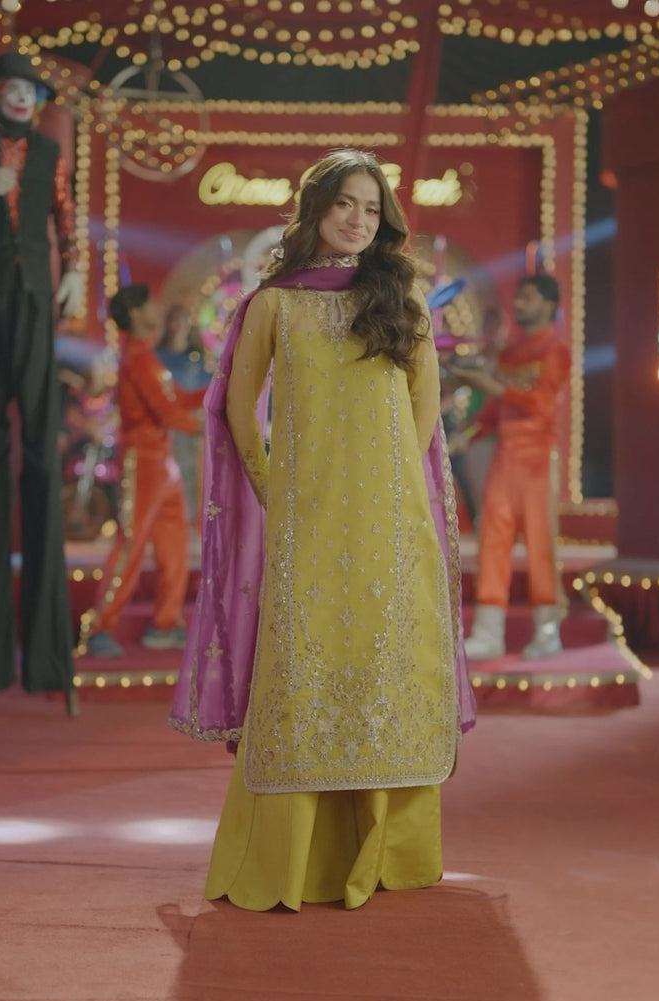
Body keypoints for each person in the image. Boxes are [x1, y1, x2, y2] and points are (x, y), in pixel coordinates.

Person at [170, 148, 475, 911]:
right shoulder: (274, 304)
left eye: (372, 209)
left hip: (391, 523)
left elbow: (425, 408)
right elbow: (238, 409)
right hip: (306, 523)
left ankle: (387, 852)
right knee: (305, 670)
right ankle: (293, 860)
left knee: (386, 669)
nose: (358, 220)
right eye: (346, 204)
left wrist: (396, 489)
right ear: (316, 209)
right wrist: (275, 490)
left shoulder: (402, 297)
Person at [0, 51, 83, 712]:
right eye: (15, 88)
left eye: (33, 89)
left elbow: (65, 212)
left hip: (33, 295)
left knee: (40, 455)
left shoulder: (49, 153)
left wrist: (74, 268)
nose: (25, 97)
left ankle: (49, 656)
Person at [81, 285, 205, 657]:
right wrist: (207, 424)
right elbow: (168, 412)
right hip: (143, 464)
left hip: (163, 463)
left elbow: (178, 400)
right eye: (150, 303)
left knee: (175, 546)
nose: (157, 308)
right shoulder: (136, 357)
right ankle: (99, 627)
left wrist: (220, 386)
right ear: (135, 313)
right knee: (132, 544)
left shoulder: (147, 356)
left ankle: (165, 624)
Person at [451, 274, 571, 660]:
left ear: (548, 304)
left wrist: (490, 384)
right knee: (492, 542)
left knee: (539, 545)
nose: (518, 304)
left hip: (537, 462)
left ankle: (548, 631)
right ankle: (489, 634)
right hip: (504, 460)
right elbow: (491, 413)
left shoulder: (556, 351)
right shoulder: (508, 354)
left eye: (528, 298)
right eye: (517, 297)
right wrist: (463, 436)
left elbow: (540, 402)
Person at [156, 303, 212, 529]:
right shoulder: (156, 357)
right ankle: (164, 521)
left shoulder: (198, 359)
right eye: (174, 319)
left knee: (190, 469)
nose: (178, 325)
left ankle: (188, 519)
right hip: (164, 421)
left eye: (182, 320)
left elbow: (205, 391)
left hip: (191, 422)